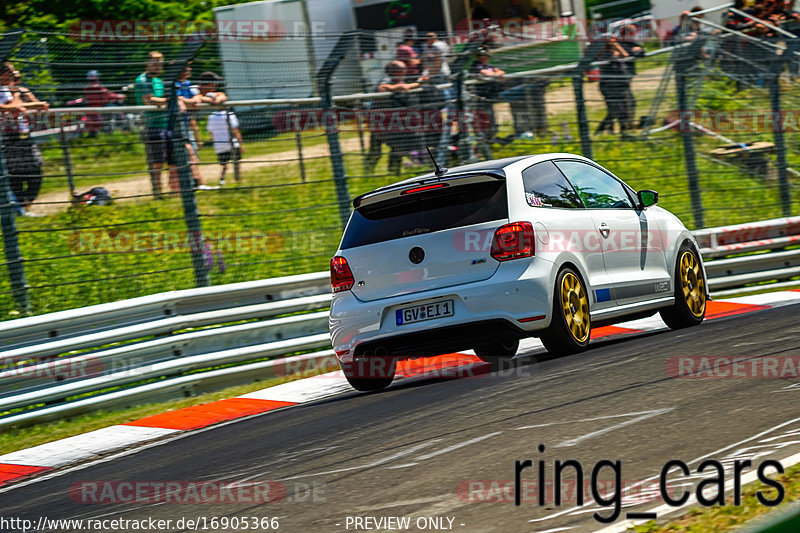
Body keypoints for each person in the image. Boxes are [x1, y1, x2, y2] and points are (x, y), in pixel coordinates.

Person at [1, 62, 48, 214]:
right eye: (12, 71)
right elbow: (11, 107)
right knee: (15, 174)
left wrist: (25, 95)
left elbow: (33, 106)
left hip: (24, 134)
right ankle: (20, 209)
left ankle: (22, 206)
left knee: (36, 169)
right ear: (3, 74)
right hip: (8, 136)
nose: (16, 73)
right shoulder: (8, 91)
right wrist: (16, 95)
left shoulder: (12, 89)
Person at [365, 61, 420, 175]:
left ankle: (393, 172)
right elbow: (382, 88)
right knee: (376, 152)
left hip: (392, 123)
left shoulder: (399, 81)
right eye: (403, 70)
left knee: (398, 147)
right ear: (396, 71)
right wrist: (397, 87)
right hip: (380, 123)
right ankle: (368, 173)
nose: (405, 72)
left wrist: (415, 83)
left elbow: (408, 86)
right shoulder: (387, 80)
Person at [135, 51, 178, 194]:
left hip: (167, 124)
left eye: (160, 62)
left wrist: (169, 101)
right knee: (158, 161)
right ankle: (157, 191)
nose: (158, 65)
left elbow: (164, 98)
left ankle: (174, 189)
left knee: (173, 160)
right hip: (152, 125)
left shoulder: (159, 81)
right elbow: (149, 100)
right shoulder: (142, 80)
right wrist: (171, 102)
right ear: (147, 63)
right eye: (154, 62)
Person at [197, 71, 242, 186]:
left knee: (226, 164)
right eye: (213, 83)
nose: (215, 86)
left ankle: (226, 180)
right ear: (207, 84)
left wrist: (217, 99)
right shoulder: (194, 91)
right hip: (228, 143)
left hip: (220, 145)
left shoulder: (210, 99)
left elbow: (222, 95)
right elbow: (235, 130)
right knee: (235, 162)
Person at [174, 62, 210, 189]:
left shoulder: (187, 84)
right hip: (176, 127)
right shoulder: (174, 84)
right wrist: (190, 102)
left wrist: (193, 100)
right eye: (186, 67)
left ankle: (198, 183)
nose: (189, 69)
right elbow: (179, 100)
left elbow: (197, 97)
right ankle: (195, 183)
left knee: (193, 155)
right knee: (189, 155)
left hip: (186, 125)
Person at [595, 36, 632, 135]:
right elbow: (607, 57)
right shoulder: (604, 54)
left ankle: (620, 130)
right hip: (609, 86)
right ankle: (603, 130)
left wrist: (616, 45)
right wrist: (611, 47)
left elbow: (626, 55)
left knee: (620, 109)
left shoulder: (616, 53)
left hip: (619, 84)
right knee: (616, 110)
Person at [75, 70, 126, 137]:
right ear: (97, 78)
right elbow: (109, 95)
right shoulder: (99, 87)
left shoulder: (86, 88)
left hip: (90, 109)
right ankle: (122, 128)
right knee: (117, 109)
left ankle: (94, 133)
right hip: (101, 108)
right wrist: (119, 96)